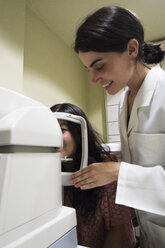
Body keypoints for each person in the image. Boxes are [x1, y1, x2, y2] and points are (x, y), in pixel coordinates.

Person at [70, 5, 165, 248]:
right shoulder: (124, 103)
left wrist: (119, 172)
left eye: (99, 66)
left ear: (132, 49)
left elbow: (131, 171)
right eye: (88, 69)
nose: (93, 80)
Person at [50, 103, 136, 248]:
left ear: (79, 134)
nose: (54, 136)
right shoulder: (49, 171)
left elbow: (118, 229)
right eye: (51, 130)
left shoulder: (103, 171)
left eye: (62, 129)